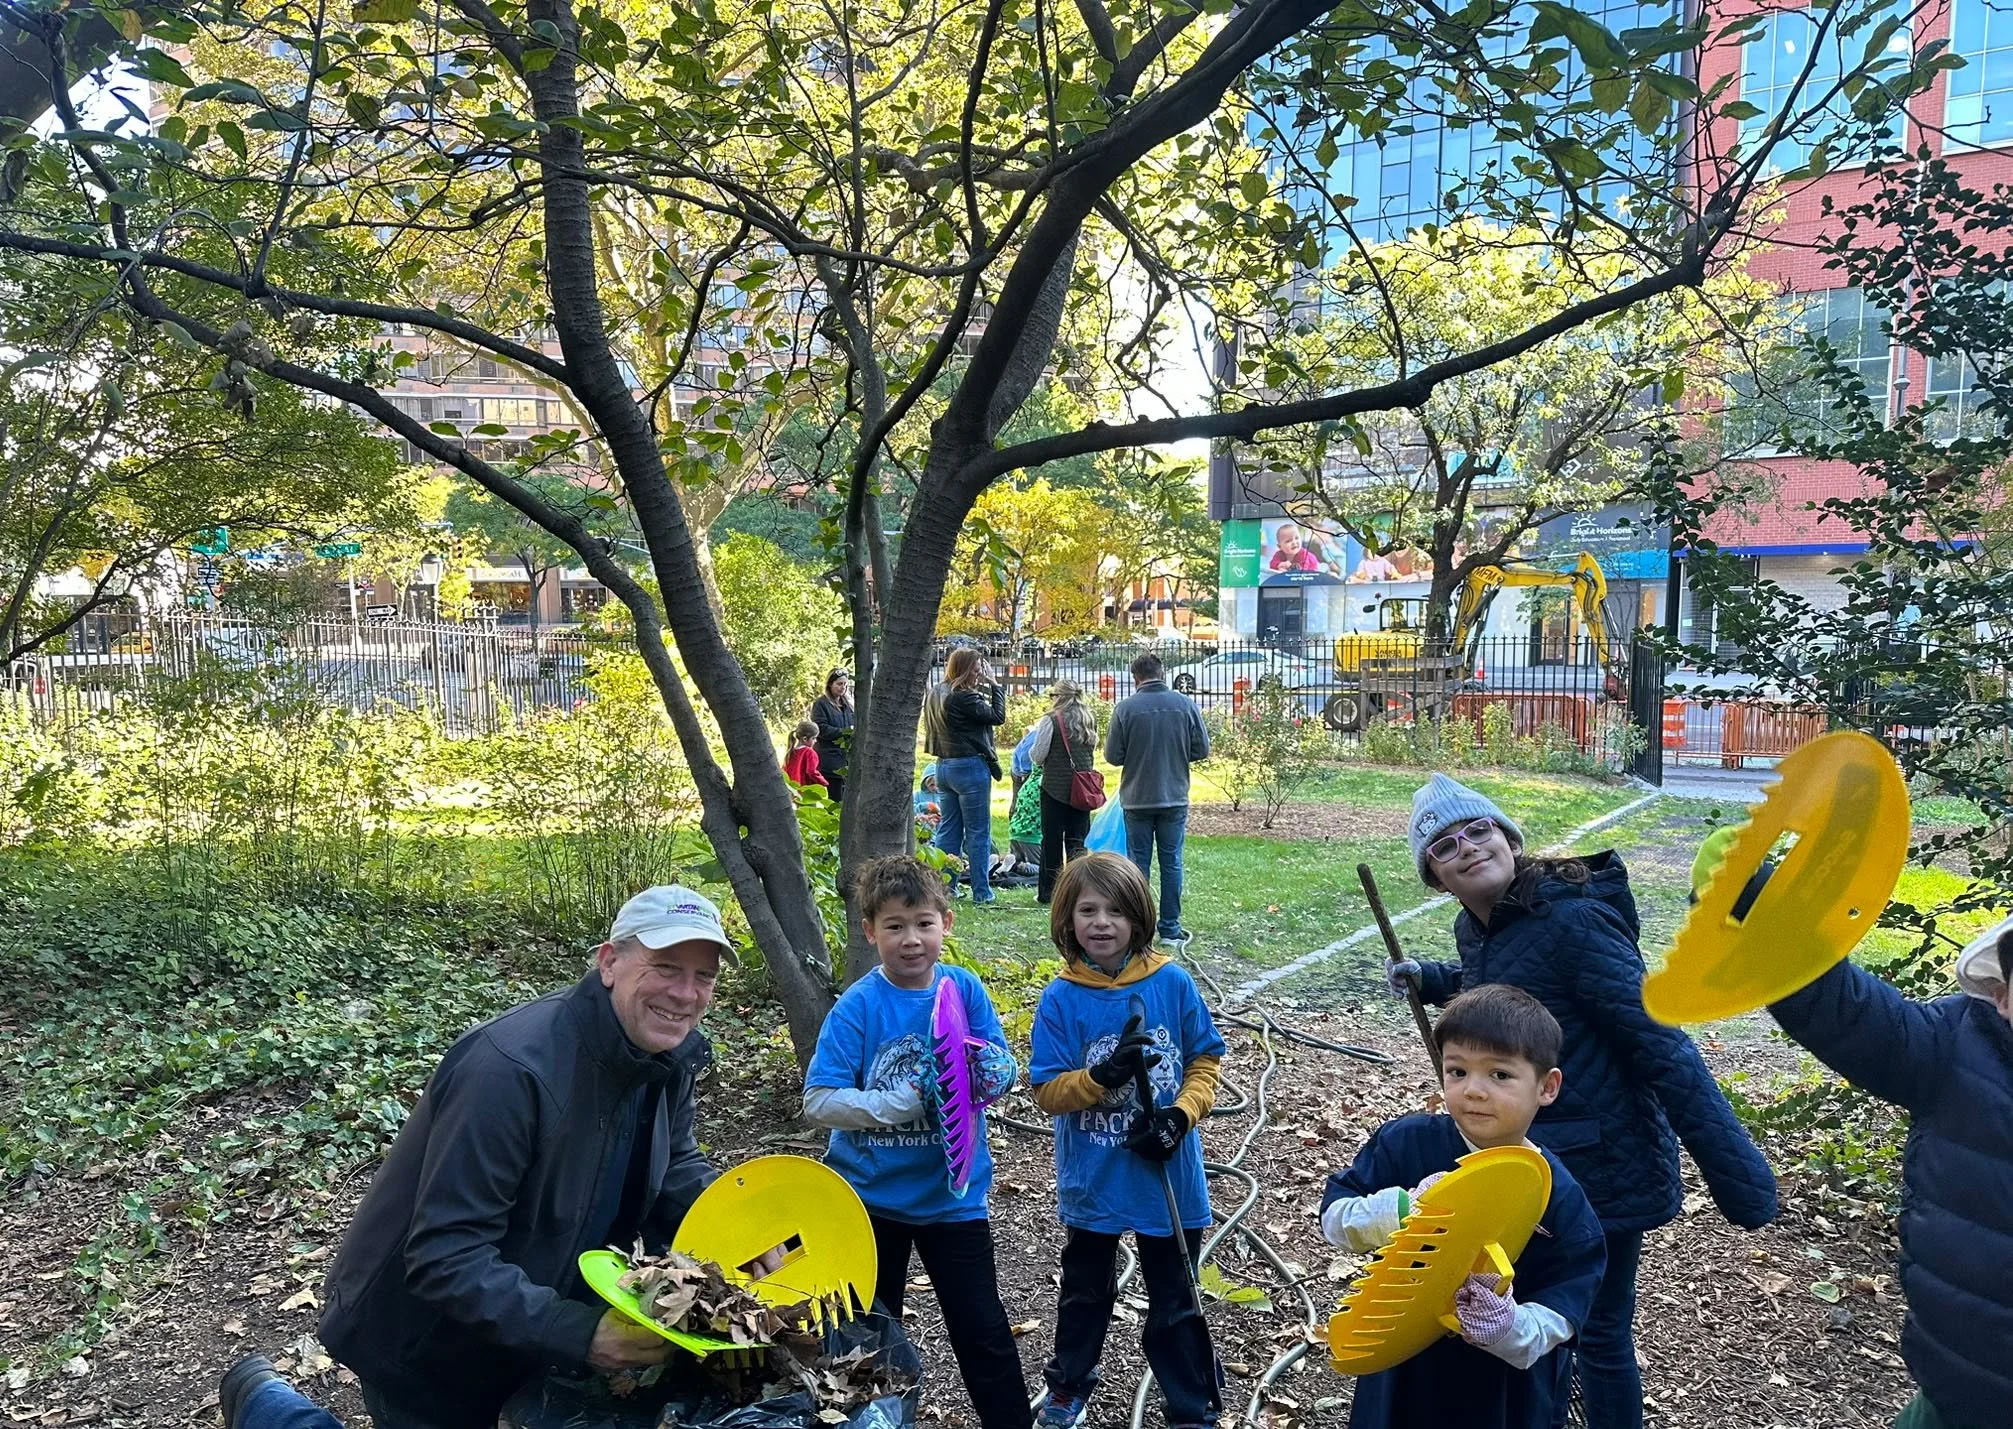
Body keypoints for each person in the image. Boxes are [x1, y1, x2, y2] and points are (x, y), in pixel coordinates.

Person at [1388, 774, 1776, 1429]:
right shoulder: (1477, 927)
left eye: (1478, 829)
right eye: (1445, 845)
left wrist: (1737, 1175)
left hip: (1602, 1161)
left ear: (1508, 836)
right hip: (1535, 1164)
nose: (1467, 847)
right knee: (1542, 1314)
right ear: (1436, 877)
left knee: (1594, 1330)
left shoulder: (1572, 920)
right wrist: (1434, 980)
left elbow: (1660, 1044)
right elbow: (1505, 985)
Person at [316, 886, 740, 1429]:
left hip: (530, 1319)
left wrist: (740, 1225)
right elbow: (446, 1253)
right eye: (665, 967)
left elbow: (676, 1162)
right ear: (609, 962)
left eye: (704, 976)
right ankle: (269, 1406)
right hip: (428, 1343)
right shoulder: (511, 1071)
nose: (686, 993)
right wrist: (579, 1333)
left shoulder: (667, 1053)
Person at [803, 856, 1030, 1429]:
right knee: (868, 1341)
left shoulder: (963, 988)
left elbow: (994, 1059)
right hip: (870, 1202)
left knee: (982, 1330)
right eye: (896, 926)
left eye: (924, 923)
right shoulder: (858, 1006)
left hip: (952, 1199)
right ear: (870, 931)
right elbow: (819, 1100)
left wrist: (993, 1073)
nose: (912, 940)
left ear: (946, 924)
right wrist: (895, 1104)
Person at [1766, 908, 2013, 1429]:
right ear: (2001, 991)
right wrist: (1766, 918)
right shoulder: (1960, 1044)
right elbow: (1848, 1014)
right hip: (1957, 1392)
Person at [1319, 985, 1606, 1429]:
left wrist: (1507, 1326)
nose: (1474, 1091)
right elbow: (1335, 1220)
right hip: (1401, 1366)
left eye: (1500, 1075)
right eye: (1457, 1071)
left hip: (1502, 1394)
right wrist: (1400, 1210)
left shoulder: (1557, 1195)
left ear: (1546, 1087)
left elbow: (1562, 1312)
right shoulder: (1406, 1144)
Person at [1029, 853, 1225, 1429]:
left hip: (1167, 1176)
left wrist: (1180, 1116)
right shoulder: (1062, 998)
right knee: (1085, 1292)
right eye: (1088, 910)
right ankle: (1067, 1388)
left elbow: (1204, 1059)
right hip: (1096, 1177)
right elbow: (1046, 1090)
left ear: (1138, 918)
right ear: (1067, 920)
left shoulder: (1171, 982)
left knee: (1175, 1295)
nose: (1102, 922)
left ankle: (1190, 1406)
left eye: (1116, 910)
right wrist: (1099, 1079)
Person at [1104, 653, 1209, 944]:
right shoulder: (1185, 705)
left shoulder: (1125, 709)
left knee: (1138, 865)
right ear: (1162, 673)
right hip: (1174, 796)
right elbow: (1201, 750)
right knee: (1171, 862)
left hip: (1137, 797)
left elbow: (1113, 756)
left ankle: (1140, 929)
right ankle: (1171, 928)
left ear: (1135, 676)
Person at [924, 647, 1008, 905]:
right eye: (976, 668)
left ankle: (947, 888)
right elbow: (997, 717)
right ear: (963, 668)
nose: (979, 673)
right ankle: (982, 892)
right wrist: (996, 686)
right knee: (978, 831)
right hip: (970, 768)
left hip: (944, 767)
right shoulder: (964, 697)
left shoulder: (937, 693)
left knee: (949, 829)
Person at [1027, 680, 1099, 905]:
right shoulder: (1089, 718)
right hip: (1083, 788)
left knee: (1052, 841)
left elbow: (1038, 756)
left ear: (1059, 696)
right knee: (1077, 841)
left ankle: (1049, 892)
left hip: (1054, 789)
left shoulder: (1051, 720)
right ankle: (1077, 891)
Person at [810, 669, 854, 806]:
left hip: (846, 758)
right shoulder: (821, 704)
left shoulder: (848, 705)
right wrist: (845, 732)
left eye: (845, 685)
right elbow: (821, 728)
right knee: (834, 799)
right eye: (839, 684)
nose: (843, 688)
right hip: (829, 758)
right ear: (830, 684)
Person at [783, 718, 828, 789]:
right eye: (813, 738)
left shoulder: (790, 752)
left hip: (793, 791)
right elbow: (811, 772)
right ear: (805, 739)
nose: (815, 741)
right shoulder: (809, 752)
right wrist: (823, 782)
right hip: (805, 792)